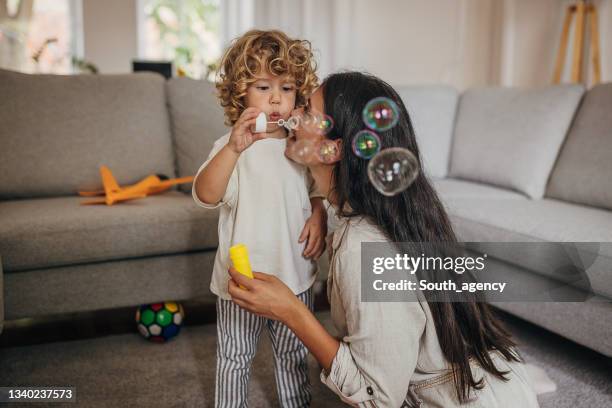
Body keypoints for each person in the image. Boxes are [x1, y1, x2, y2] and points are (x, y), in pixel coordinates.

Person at [226, 72, 541, 407]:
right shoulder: (391, 216)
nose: (292, 114)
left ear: (333, 149)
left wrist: (292, 312)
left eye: (307, 110)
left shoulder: (362, 247)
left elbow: (379, 400)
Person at [192, 29, 327, 408]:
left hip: (294, 275)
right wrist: (233, 150)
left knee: (293, 358)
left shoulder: (300, 144)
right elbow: (206, 195)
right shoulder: (232, 147)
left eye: (286, 88)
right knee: (235, 359)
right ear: (240, 93)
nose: (276, 99)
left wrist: (318, 214)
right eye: (263, 87)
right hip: (241, 281)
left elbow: (318, 188)